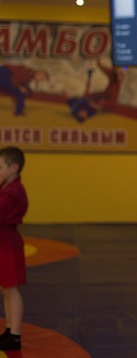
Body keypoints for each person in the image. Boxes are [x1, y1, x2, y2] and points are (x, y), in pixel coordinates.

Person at [0, 146, 28, 351]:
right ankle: (10, 330)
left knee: (11, 290)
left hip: (8, 244)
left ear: (14, 168)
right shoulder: (6, 188)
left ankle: (15, 336)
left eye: (0, 167)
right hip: (4, 241)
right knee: (6, 288)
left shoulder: (13, 191)